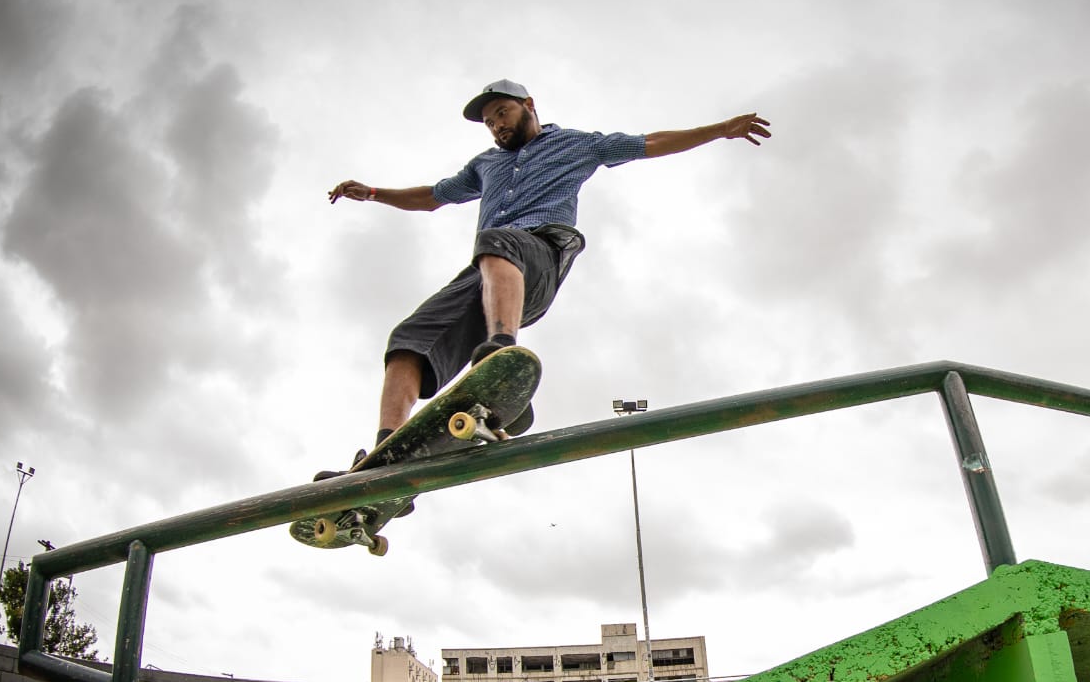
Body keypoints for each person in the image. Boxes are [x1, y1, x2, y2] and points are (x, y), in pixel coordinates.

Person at [319, 79, 770, 477]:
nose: (497, 125)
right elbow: (432, 196)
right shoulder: (485, 165)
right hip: (487, 274)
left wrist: (719, 130)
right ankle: (386, 454)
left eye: (503, 113)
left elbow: (649, 142)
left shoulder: (578, 144)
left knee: (499, 240)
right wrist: (374, 193)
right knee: (408, 340)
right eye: (490, 122)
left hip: (541, 256)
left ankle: (501, 355)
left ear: (529, 105)